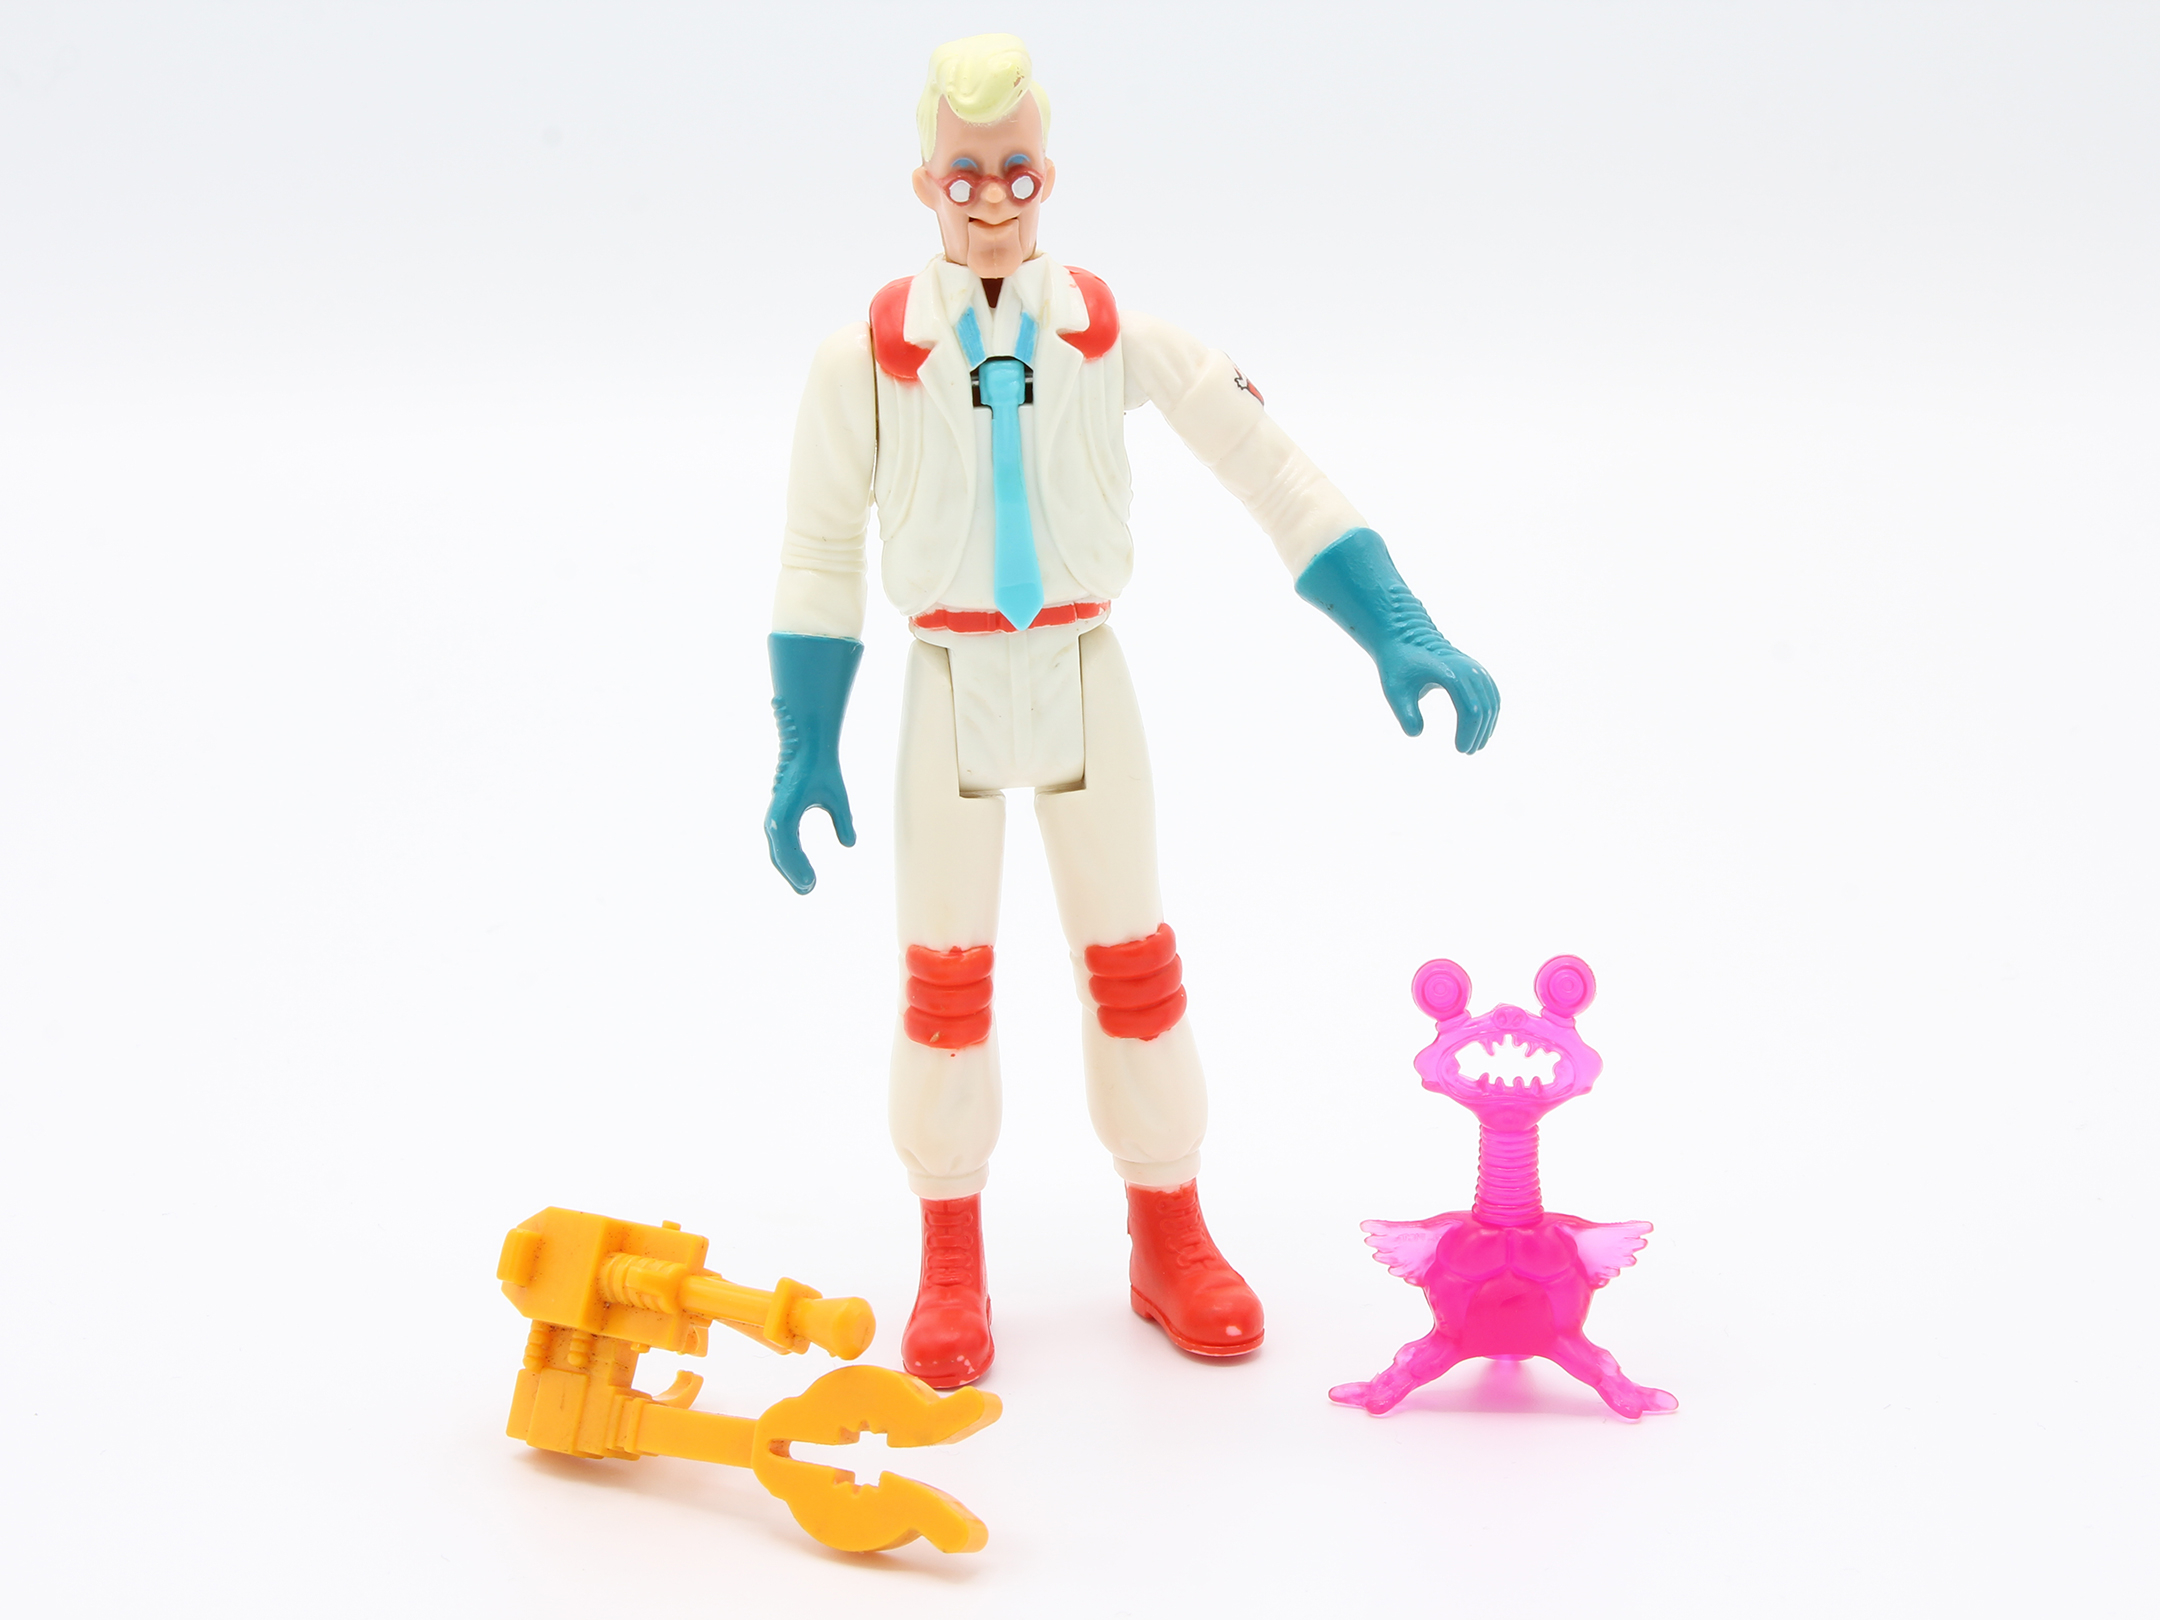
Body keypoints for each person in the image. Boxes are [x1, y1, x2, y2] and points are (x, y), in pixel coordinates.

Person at [764, 34, 1498, 1388]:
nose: (993, 197)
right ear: (924, 182)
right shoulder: (863, 358)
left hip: (1084, 672)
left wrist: (1397, 626)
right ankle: (949, 1256)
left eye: (1017, 169)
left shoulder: (1111, 337)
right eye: (966, 173)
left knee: (1135, 963)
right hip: (947, 682)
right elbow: (816, 555)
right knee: (944, 983)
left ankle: (1170, 1229)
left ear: (1049, 173)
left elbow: (1269, 468)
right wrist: (806, 739)